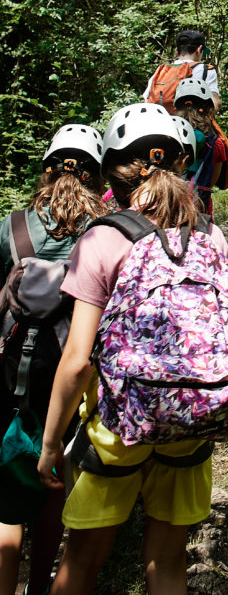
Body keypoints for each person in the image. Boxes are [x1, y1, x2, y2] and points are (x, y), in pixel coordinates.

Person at [36, 103, 228, 595]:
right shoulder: (210, 235)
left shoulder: (103, 239)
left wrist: (50, 443)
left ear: (112, 172)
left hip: (115, 427)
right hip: (190, 420)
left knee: (82, 559)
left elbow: (78, 361)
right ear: (182, 164)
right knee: (168, 561)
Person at [0, 124, 104, 595]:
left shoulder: (12, 226)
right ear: (96, 176)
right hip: (69, 373)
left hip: (9, 370)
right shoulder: (104, 232)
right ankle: (39, 585)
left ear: (45, 170)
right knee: (55, 474)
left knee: (7, 491)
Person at [172, 78, 226, 217]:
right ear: (207, 107)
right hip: (198, 202)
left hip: (168, 197)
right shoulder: (215, 141)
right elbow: (212, 179)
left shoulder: (169, 132)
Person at [143, 29, 220, 113]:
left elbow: (146, 101)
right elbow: (215, 105)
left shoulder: (161, 71)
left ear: (177, 52)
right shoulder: (206, 70)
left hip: (161, 119)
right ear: (199, 50)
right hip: (189, 120)